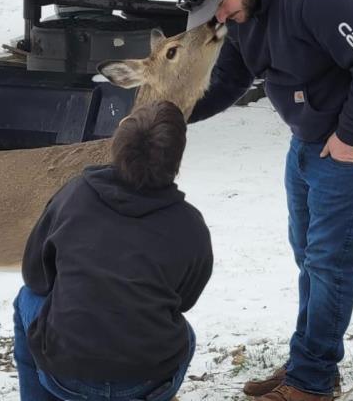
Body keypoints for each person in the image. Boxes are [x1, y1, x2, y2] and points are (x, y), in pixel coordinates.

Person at [170, 0, 353, 400]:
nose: (219, 18)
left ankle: (312, 383)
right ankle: (311, 363)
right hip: (310, 136)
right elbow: (232, 78)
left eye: (219, 2)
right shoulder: (248, 7)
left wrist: (350, 134)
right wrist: (176, 109)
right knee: (309, 254)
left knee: (329, 261)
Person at [13, 100, 213, 401]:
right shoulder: (190, 223)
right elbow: (185, 299)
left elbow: (35, 274)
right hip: (147, 381)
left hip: (66, 377)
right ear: (176, 161)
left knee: (27, 299)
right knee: (184, 333)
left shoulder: (73, 195)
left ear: (117, 145)